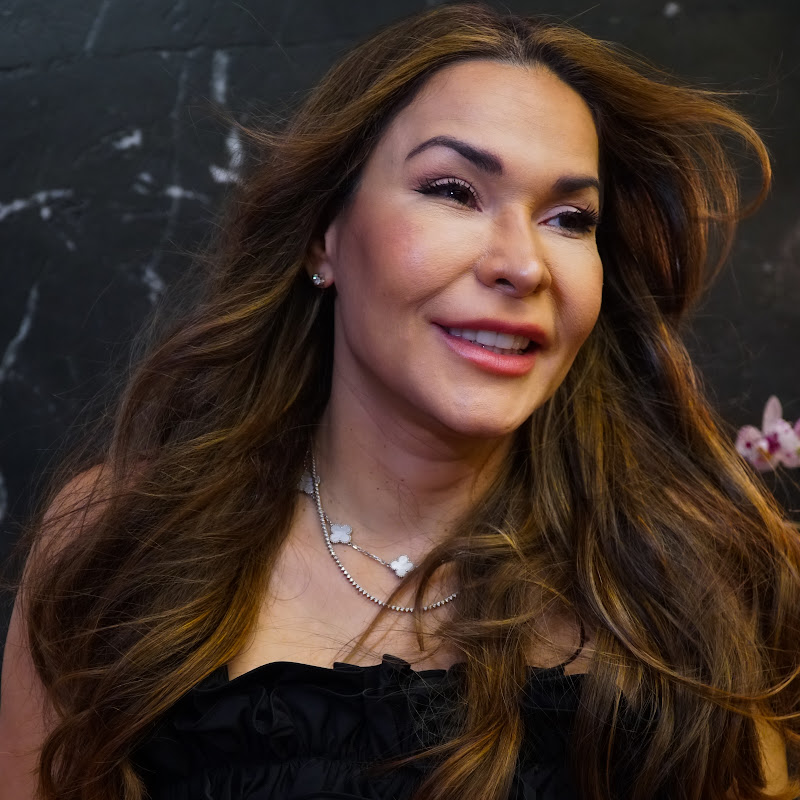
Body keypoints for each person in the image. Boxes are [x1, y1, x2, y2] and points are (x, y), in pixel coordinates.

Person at [1, 3, 798, 799]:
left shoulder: (691, 581)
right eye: (454, 191)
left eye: (569, 219)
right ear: (324, 234)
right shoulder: (117, 545)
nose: (524, 265)